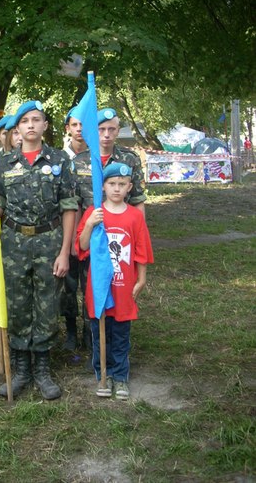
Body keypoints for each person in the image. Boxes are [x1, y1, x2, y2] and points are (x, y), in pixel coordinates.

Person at [0, 100, 77, 400]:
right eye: (25, 121)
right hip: (14, 242)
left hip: (49, 240)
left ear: (45, 126)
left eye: (36, 120)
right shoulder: (4, 163)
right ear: (18, 128)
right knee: (18, 304)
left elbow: (69, 206)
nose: (31, 125)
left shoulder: (60, 160)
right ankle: (22, 368)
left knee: (47, 304)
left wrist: (64, 252)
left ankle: (43, 370)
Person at [76, 162, 153, 400]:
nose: (117, 188)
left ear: (129, 187)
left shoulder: (134, 216)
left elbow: (141, 250)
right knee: (100, 334)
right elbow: (82, 246)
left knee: (120, 335)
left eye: (122, 184)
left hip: (124, 287)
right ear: (103, 186)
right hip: (100, 286)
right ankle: (104, 374)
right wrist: (90, 223)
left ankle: (120, 377)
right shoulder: (94, 213)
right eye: (112, 184)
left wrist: (142, 279)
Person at [75, 108, 147, 216]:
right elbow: (76, 204)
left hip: (122, 223)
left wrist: (139, 226)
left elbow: (137, 200)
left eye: (111, 129)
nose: (106, 134)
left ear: (118, 131)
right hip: (90, 224)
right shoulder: (79, 161)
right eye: (101, 129)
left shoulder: (130, 159)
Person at [60, 107, 89, 353]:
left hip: (92, 233)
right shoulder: (58, 159)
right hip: (65, 232)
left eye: (84, 124)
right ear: (67, 128)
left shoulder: (97, 157)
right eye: (75, 125)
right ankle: (70, 331)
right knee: (68, 286)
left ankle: (90, 330)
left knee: (90, 284)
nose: (80, 129)